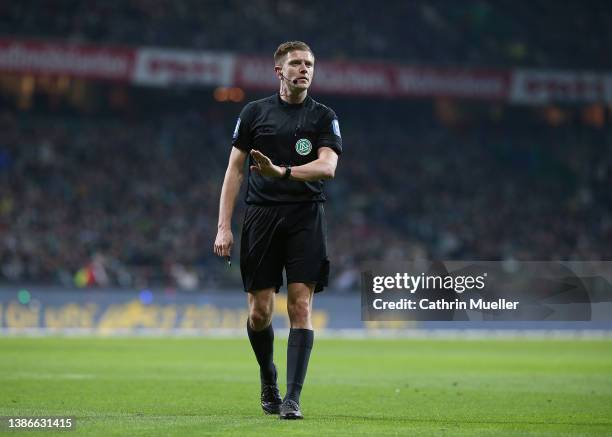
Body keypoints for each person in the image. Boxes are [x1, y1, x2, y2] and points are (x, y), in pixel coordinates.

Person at [213, 41, 342, 420]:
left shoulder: (323, 117)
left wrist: (281, 172)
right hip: (261, 216)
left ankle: (293, 397)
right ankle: (267, 376)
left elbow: (328, 167)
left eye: (310, 64)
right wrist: (224, 227)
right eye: (297, 63)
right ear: (279, 71)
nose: (305, 69)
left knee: (300, 306)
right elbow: (235, 170)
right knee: (259, 312)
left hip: (305, 216)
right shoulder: (254, 113)